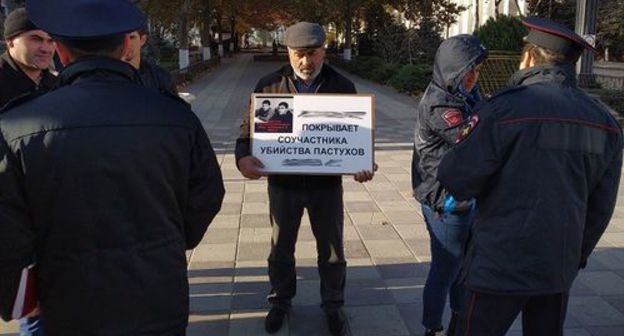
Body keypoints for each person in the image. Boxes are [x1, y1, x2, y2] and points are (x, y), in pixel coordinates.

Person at [0, 0, 225, 335]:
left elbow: (8, 229)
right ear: (124, 47)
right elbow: (208, 194)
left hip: (64, 299)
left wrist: (18, 298)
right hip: (157, 292)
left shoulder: (17, 124)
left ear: (61, 51)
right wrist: (171, 241)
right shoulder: (175, 116)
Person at [437, 17, 622, 336]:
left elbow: (456, 178)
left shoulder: (502, 111)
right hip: (556, 265)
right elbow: (600, 207)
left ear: (529, 57)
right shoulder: (603, 122)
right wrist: (575, 253)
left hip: (497, 263)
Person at [235, 22, 375, 336]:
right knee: (281, 248)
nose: (305, 62)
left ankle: (334, 305)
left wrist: (362, 164)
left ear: (324, 50)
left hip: (326, 186)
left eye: (313, 53)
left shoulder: (342, 87)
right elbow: (247, 133)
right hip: (283, 186)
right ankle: (280, 301)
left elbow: (356, 138)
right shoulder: (270, 86)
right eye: (299, 54)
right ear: (288, 52)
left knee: (332, 251)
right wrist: (243, 158)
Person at [411, 34, 487, 336]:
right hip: (447, 199)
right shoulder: (441, 104)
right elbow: (471, 140)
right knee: (446, 269)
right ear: (454, 71)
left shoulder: (462, 94)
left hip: (464, 194)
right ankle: (432, 326)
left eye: (477, 69)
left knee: (463, 267)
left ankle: (459, 319)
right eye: (469, 70)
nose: (474, 76)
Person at [0, 7, 57, 109]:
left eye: (51, 41)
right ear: (10, 42)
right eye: (36, 39)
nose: (46, 49)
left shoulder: (58, 85)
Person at [122, 27, 178, 96]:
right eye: (121, 38)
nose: (127, 44)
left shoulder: (161, 78)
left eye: (132, 37)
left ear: (142, 40)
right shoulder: (106, 78)